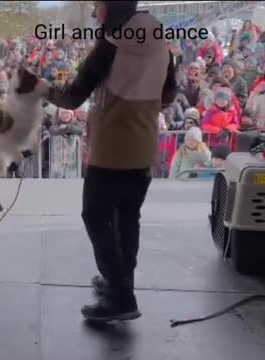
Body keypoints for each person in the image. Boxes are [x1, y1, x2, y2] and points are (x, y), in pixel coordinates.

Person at [43, 1, 176, 322]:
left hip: (110, 151)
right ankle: (121, 282)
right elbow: (169, 95)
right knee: (127, 218)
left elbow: (71, 97)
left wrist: (37, 87)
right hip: (143, 148)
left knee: (97, 217)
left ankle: (120, 296)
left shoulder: (110, 46)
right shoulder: (162, 43)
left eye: (99, 6)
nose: (95, 13)